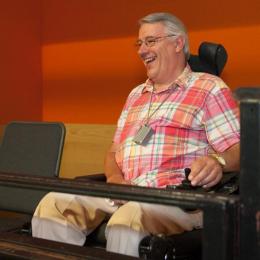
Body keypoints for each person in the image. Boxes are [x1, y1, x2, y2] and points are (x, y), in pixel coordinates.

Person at [32, 12, 240, 257]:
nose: (142, 50)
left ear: (178, 43)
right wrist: (114, 179)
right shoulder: (136, 95)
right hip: (124, 191)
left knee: (127, 220)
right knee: (54, 204)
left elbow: (239, 150)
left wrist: (217, 161)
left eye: (151, 41)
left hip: (177, 198)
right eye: (139, 43)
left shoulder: (209, 88)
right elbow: (113, 153)